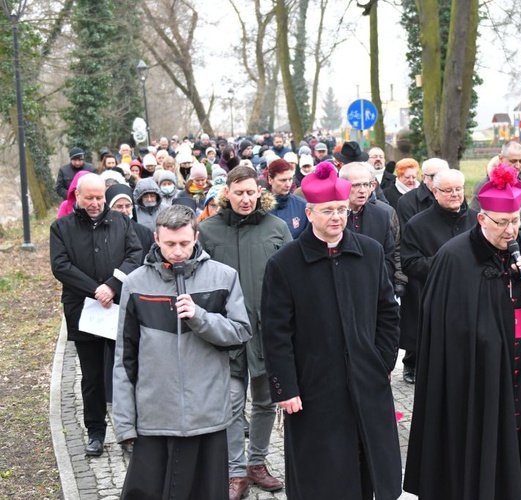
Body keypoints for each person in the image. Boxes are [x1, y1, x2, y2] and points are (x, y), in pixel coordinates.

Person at [403, 165, 521, 499]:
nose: (511, 230)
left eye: (516, 220)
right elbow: (441, 325)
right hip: (476, 374)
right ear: (482, 219)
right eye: (502, 222)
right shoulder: (452, 257)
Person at [261, 162, 402, 499]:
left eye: (341, 209)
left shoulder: (369, 251)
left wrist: (381, 361)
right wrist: (286, 387)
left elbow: (388, 313)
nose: (336, 216)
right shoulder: (285, 263)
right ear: (309, 213)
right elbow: (275, 332)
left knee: (370, 468)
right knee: (322, 473)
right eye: (328, 211)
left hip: (367, 379)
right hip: (313, 386)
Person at [113, 205, 252, 499]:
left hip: (208, 416)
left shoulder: (223, 277)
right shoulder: (136, 283)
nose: (177, 251)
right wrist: (125, 425)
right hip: (155, 417)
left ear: (196, 237)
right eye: (169, 244)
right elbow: (125, 358)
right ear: (156, 238)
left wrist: (200, 318)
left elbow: (240, 333)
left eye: (185, 244)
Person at [199, 166, 291, 498]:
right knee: (232, 405)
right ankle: (235, 471)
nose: (245, 198)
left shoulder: (276, 227)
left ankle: (257, 463)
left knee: (266, 402)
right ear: (227, 194)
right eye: (239, 192)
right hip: (226, 334)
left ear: (260, 192)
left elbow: (292, 280)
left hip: (268, 332)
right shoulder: (208, 230)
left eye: (251, 192)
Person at [50, 174, 142, 457]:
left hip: (118, 308)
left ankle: (128, 433)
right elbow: (60, 266)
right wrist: (95, 290)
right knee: (91, 376)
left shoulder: (121, 222)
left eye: (99, 197)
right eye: (89, 198)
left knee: (125, 370)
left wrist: (113, 286)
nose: (95, 203)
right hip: (83, 310)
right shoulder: (61, 227)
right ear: (77, 196)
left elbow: (135, 254)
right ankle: (95, 432)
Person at [400, 169, 477, 384]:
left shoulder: (477, 219)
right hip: (436, 300)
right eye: (448, 190)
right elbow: (410, 263)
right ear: (435, 192)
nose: (455, 194)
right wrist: (445, 263)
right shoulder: (417, 224)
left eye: (459, 189)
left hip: (473, 299)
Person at [396, 157, 449, 383]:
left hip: (447, 268)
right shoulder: (409, 202)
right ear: (425, 178)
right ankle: (412, 362)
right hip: (422, 267)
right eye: (434, 177)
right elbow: (411, 234)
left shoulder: (451, 197)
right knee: (418, 319)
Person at [471, 141, 521, 238]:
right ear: (501, 158)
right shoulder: (485, 185)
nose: (517, 165)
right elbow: (473, 219)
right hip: (496, 244)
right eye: (513, 161)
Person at [339, 161, 396, 282]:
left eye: (366, 184)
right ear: (342, 185)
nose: (363, 190)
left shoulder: (381, 215)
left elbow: (389, 258)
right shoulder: (333, 216)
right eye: (356, 185)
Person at [105, 183, 155, 254]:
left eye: (128, 206)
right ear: (109, 208)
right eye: (119, 206)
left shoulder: (145, 232)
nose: (124, 211)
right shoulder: (102, 232)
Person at [267, 158, 309, 239]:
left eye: (290, 179)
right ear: (270, 179)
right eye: (283, 180)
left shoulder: (302, 206)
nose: (288, 184)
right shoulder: (259, 206)